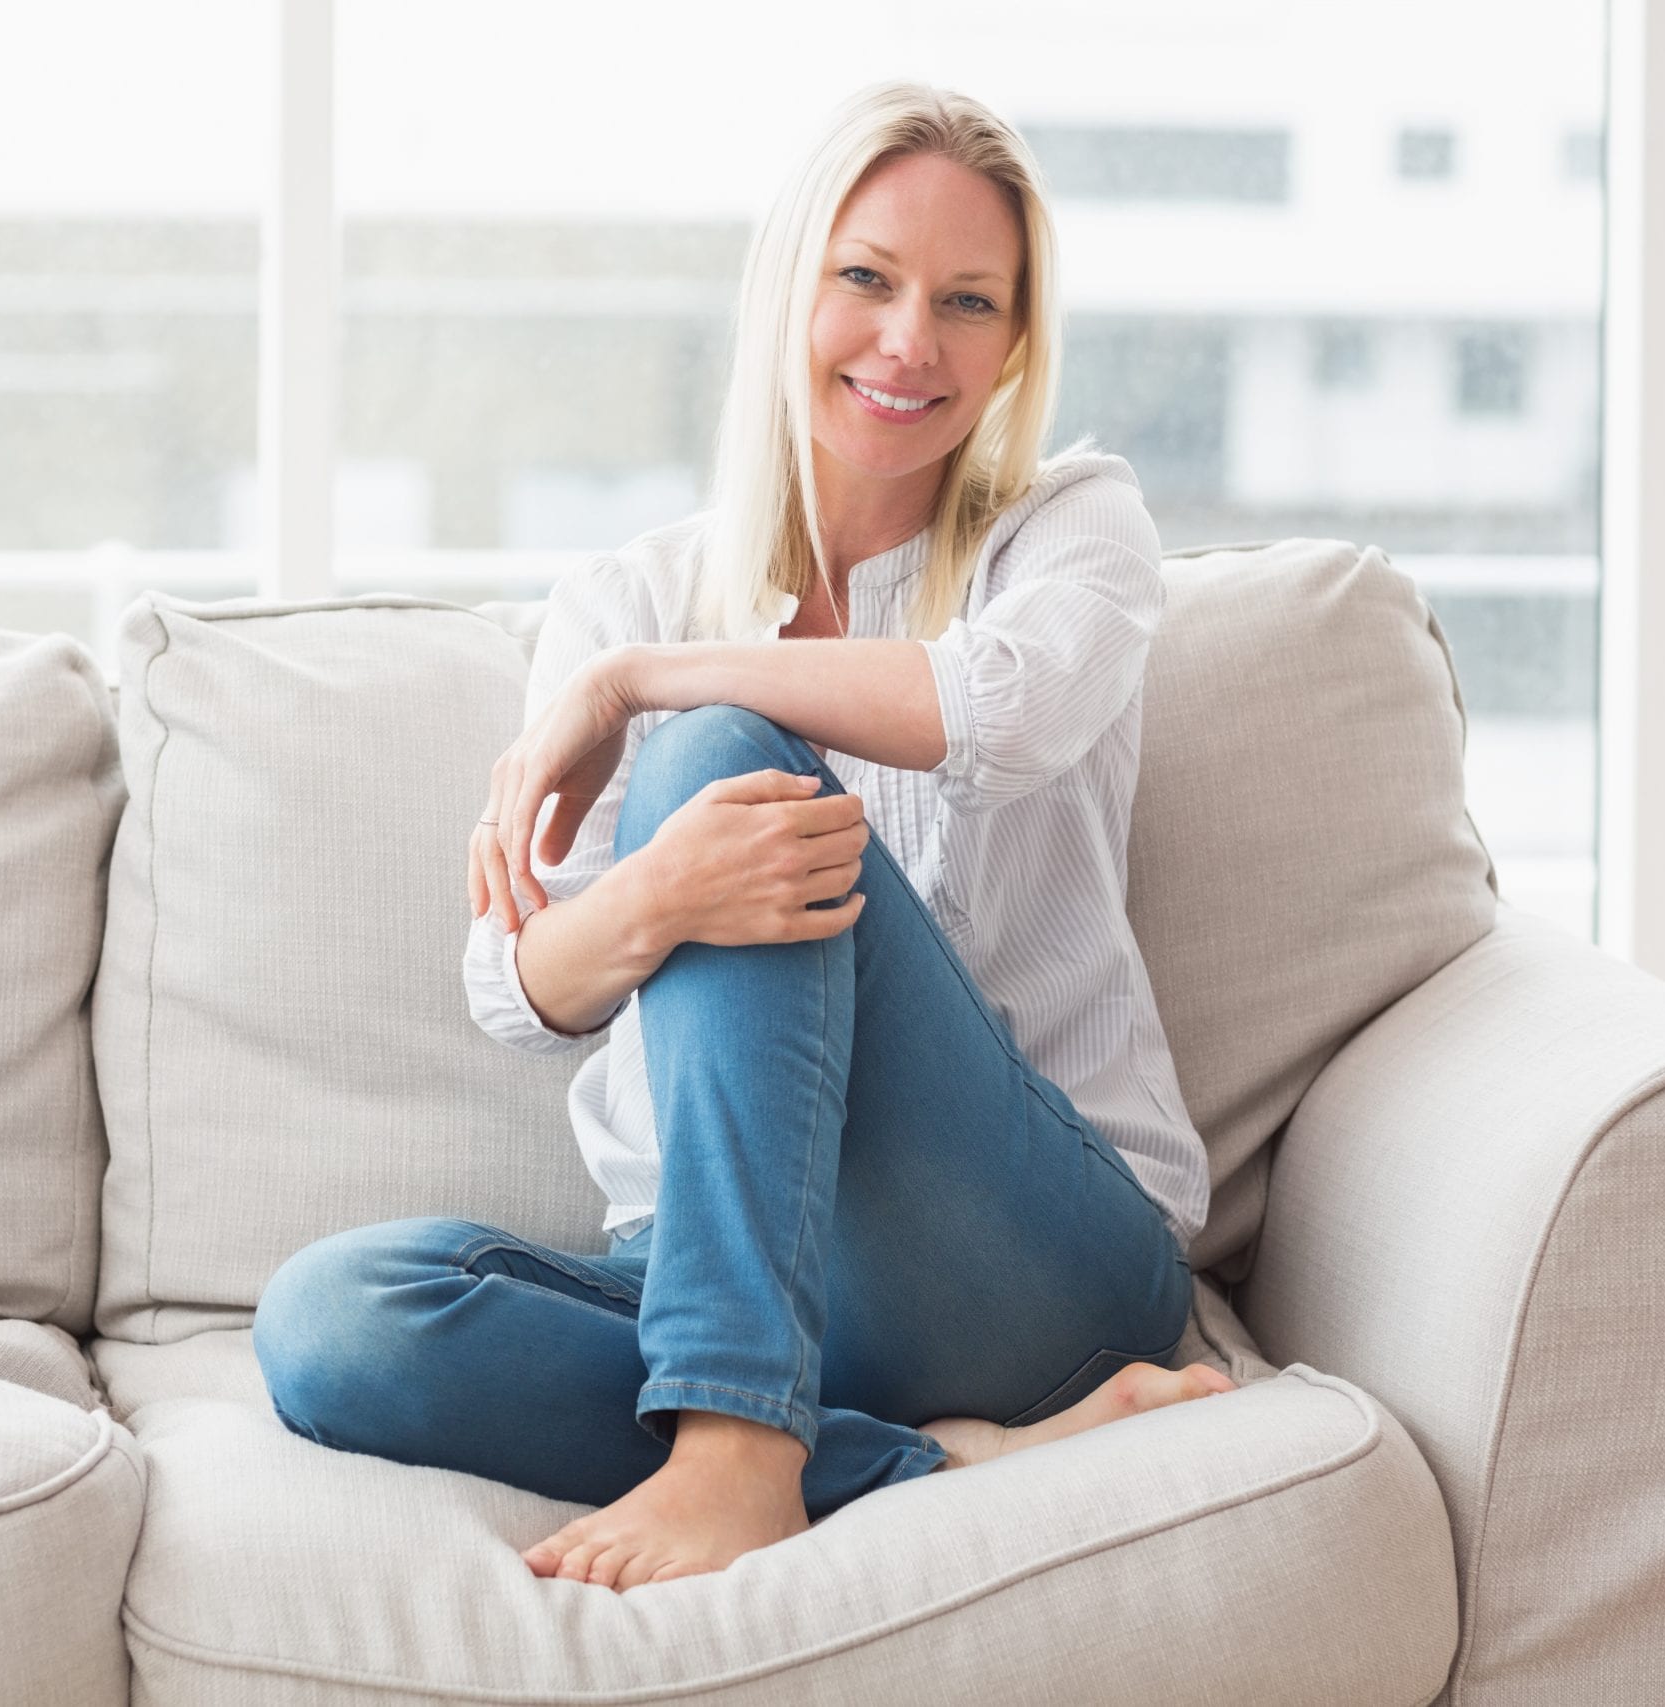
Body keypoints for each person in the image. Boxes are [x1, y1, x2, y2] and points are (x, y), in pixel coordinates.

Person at [252, 78, 1230, 1596]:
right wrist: (657, 895)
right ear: (792, 289)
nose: (911, 341)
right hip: (733, 1264)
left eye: (967, 302)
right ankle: (927, 1457)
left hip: (1035, 1255)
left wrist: (655, 685)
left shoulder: (1069, 525)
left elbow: (1006, 710)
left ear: (1016, 344)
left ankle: (730, 1445)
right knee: (335, 1319)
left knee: (720, 757)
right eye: (868, 279)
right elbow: (519, 986)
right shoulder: (626, 589)